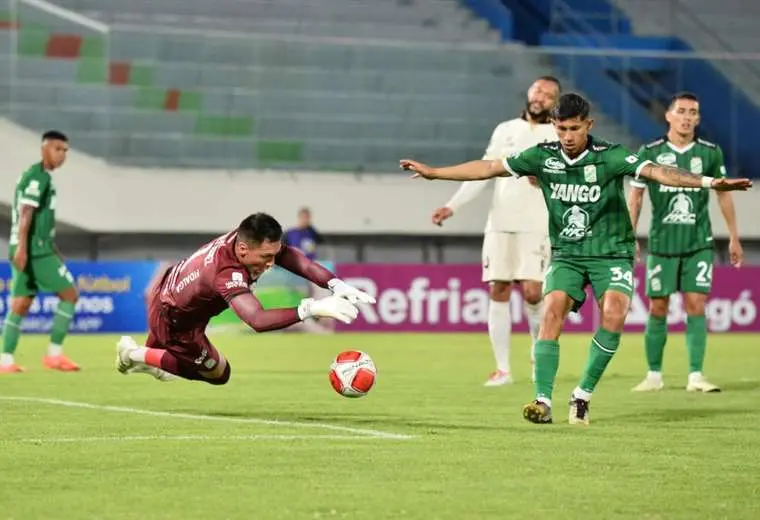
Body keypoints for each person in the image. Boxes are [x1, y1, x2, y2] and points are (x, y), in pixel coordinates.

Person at [400, 93, 751, 425]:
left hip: (611, 253)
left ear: (589, 124)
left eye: (575, 128)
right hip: (568, 255)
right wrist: (435, 173)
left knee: (614, 312)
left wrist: (709, 183)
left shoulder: (610, 155)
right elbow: (490, 167)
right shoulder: (542, 156)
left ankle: (582, 394)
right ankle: (543, 401)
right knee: (551, 310)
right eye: (562, 128)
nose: (568, 136)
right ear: (555, 125)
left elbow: (659, 172)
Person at [116, 213, 375, 384]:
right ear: (242, 250)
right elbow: (257, 319)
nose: (271, 264)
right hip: (174, 319)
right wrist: (312, 307)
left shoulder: (246, 241)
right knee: (219, 374)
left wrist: (334, 284)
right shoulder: (226, 272)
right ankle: (134, 354)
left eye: (274, 255)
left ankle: (150, 358)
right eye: (265, 258)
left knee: (173, 362)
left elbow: (295, 259)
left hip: (178, 297)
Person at [430, 76, 561, 387]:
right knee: (498, 290)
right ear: (529, 93)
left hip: (537, 226)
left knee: (533, 291)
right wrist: (452, 206)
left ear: (555, 102)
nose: (540, 95)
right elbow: (484, 172)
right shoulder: (505, 130)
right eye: (537, 89)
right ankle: (502, 369)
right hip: (500, 224)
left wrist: (544, 180)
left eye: (548, 93)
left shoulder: (558, 134)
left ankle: (536, 353)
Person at [628, 92, 742, 393]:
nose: (687, 117)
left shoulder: (710, 152)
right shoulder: (649, 151)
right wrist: (630, 235)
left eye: (693, 112)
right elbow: (636, 195)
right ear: (668, 115)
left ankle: (695, 376)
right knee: (658, 307)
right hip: (662, 244)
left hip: (698, 244)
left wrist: (733, 236)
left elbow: (724, 193)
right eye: (682, 111)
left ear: (698, 118)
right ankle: (653, 375)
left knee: (696, 304)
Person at [1, 130, 80, 374]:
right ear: (44, 149)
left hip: (32, 247)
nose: (62, 155)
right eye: (57, 149)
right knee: (70, 295)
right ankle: (54, 356)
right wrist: (24, 248)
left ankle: (5, 361)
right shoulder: (39, 177)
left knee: (21, 303)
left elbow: (39, 220)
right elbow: (26, 212)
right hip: (34, 250)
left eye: (65, 150)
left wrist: (53, 248)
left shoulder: (37, 176)